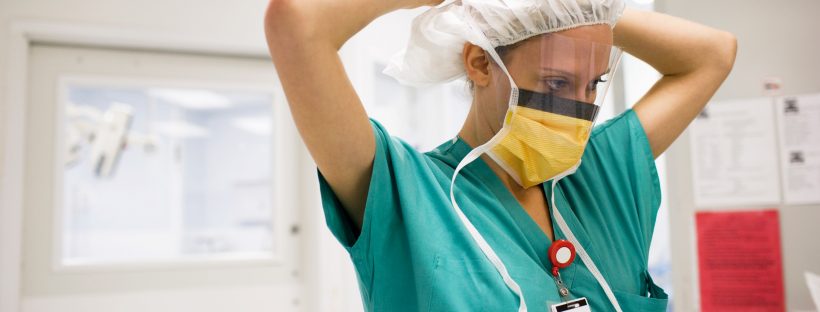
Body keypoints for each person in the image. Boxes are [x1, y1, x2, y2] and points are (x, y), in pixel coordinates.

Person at [264, 0, 736, 311]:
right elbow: (297, 23)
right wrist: (498, 7)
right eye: (555, 83)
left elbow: (715, 52)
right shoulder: (405, 192)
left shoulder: (599, 172)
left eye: (591, 86)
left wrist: (574, 7)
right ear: (481, 62)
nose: (577, 110)